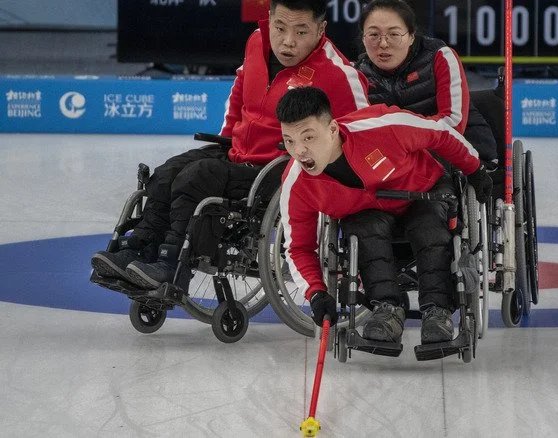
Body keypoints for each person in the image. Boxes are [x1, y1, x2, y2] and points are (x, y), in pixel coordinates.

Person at [90, 0, 370, 292]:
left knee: (197, 177)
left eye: (301, 32)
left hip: (283, 169)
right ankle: (137, 250)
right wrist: (228, 139)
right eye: (280, 28)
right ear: (270, 20)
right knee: (166, 172)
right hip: (239, 154)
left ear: (321, 29)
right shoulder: (256, 42)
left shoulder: (337, 73)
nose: (288, 42)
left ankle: (171, 265)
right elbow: (240, 92)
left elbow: (363, 130)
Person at [276, 86, 492, 345]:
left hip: (424, 193)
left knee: (428, 223)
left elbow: (441, 133)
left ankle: (438, 311)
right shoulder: (296, 183)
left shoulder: (380, 127)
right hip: (370, 217)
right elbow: (298, 248)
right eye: (289, 141)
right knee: (363, 229)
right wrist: (316, 292)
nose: (299, 151)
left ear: (332, 129)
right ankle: (386, 310)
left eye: (308, 138)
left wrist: (474, 168)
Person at [353, 0, 497, 164]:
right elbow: (360, 131)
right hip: (397, 159)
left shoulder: (440, 57)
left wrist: (401, 140)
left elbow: (453, 124)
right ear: (363, 39)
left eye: (394, 34)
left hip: (461, 149)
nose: (383, 44)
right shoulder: (357, 74)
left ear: (411, 36)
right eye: (373, 35)